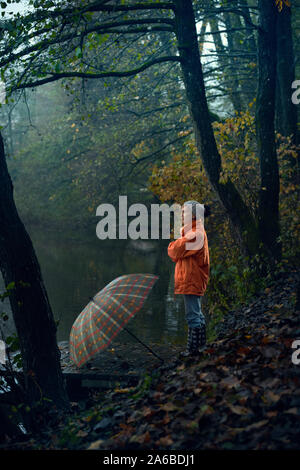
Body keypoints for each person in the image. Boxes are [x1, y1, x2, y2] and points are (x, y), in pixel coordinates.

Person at [168, 201, 210, 357]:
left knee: (192, 315)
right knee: (196, 313)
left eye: (184, 212)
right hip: (192, 278)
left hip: (192, 279)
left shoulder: (195, 233)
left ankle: (194, 351)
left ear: (193, 215)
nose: (181, 215)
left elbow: (174, 251)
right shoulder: (192, 231)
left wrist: (173, 245)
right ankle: (200, 348)